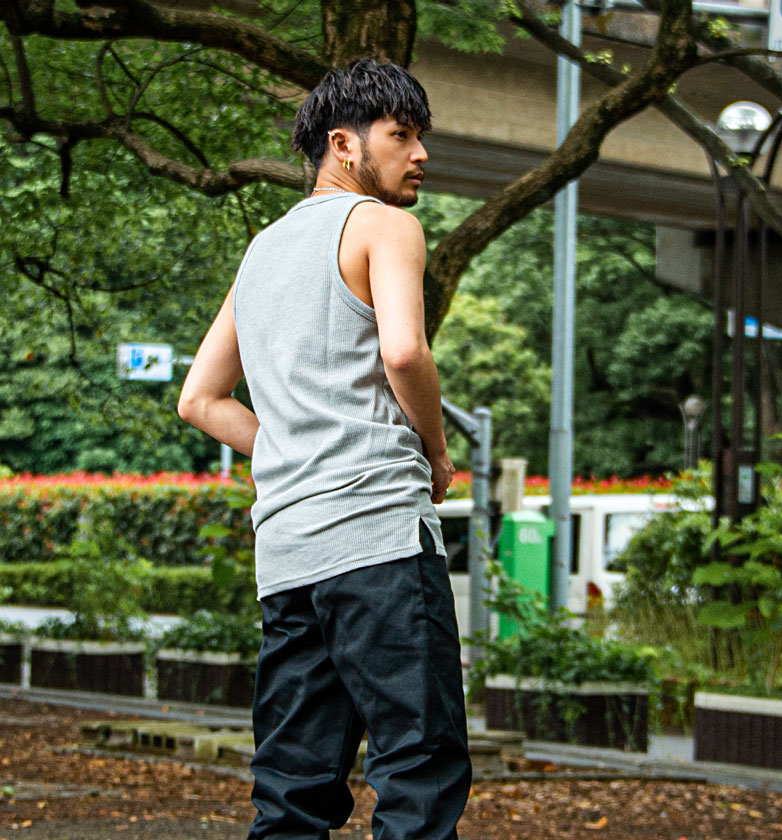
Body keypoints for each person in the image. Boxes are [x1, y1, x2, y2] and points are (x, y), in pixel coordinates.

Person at [177, 58, 472, 840]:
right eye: (401, 135)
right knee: (418, 767)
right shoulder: (385, 225)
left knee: (292, 787)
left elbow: (200, 400)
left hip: (289, 557)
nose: (421, 154)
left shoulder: (262, 253)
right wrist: (436, 453)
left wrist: (295, 450)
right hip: (379, 540)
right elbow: (403, 353)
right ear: (343, 144)